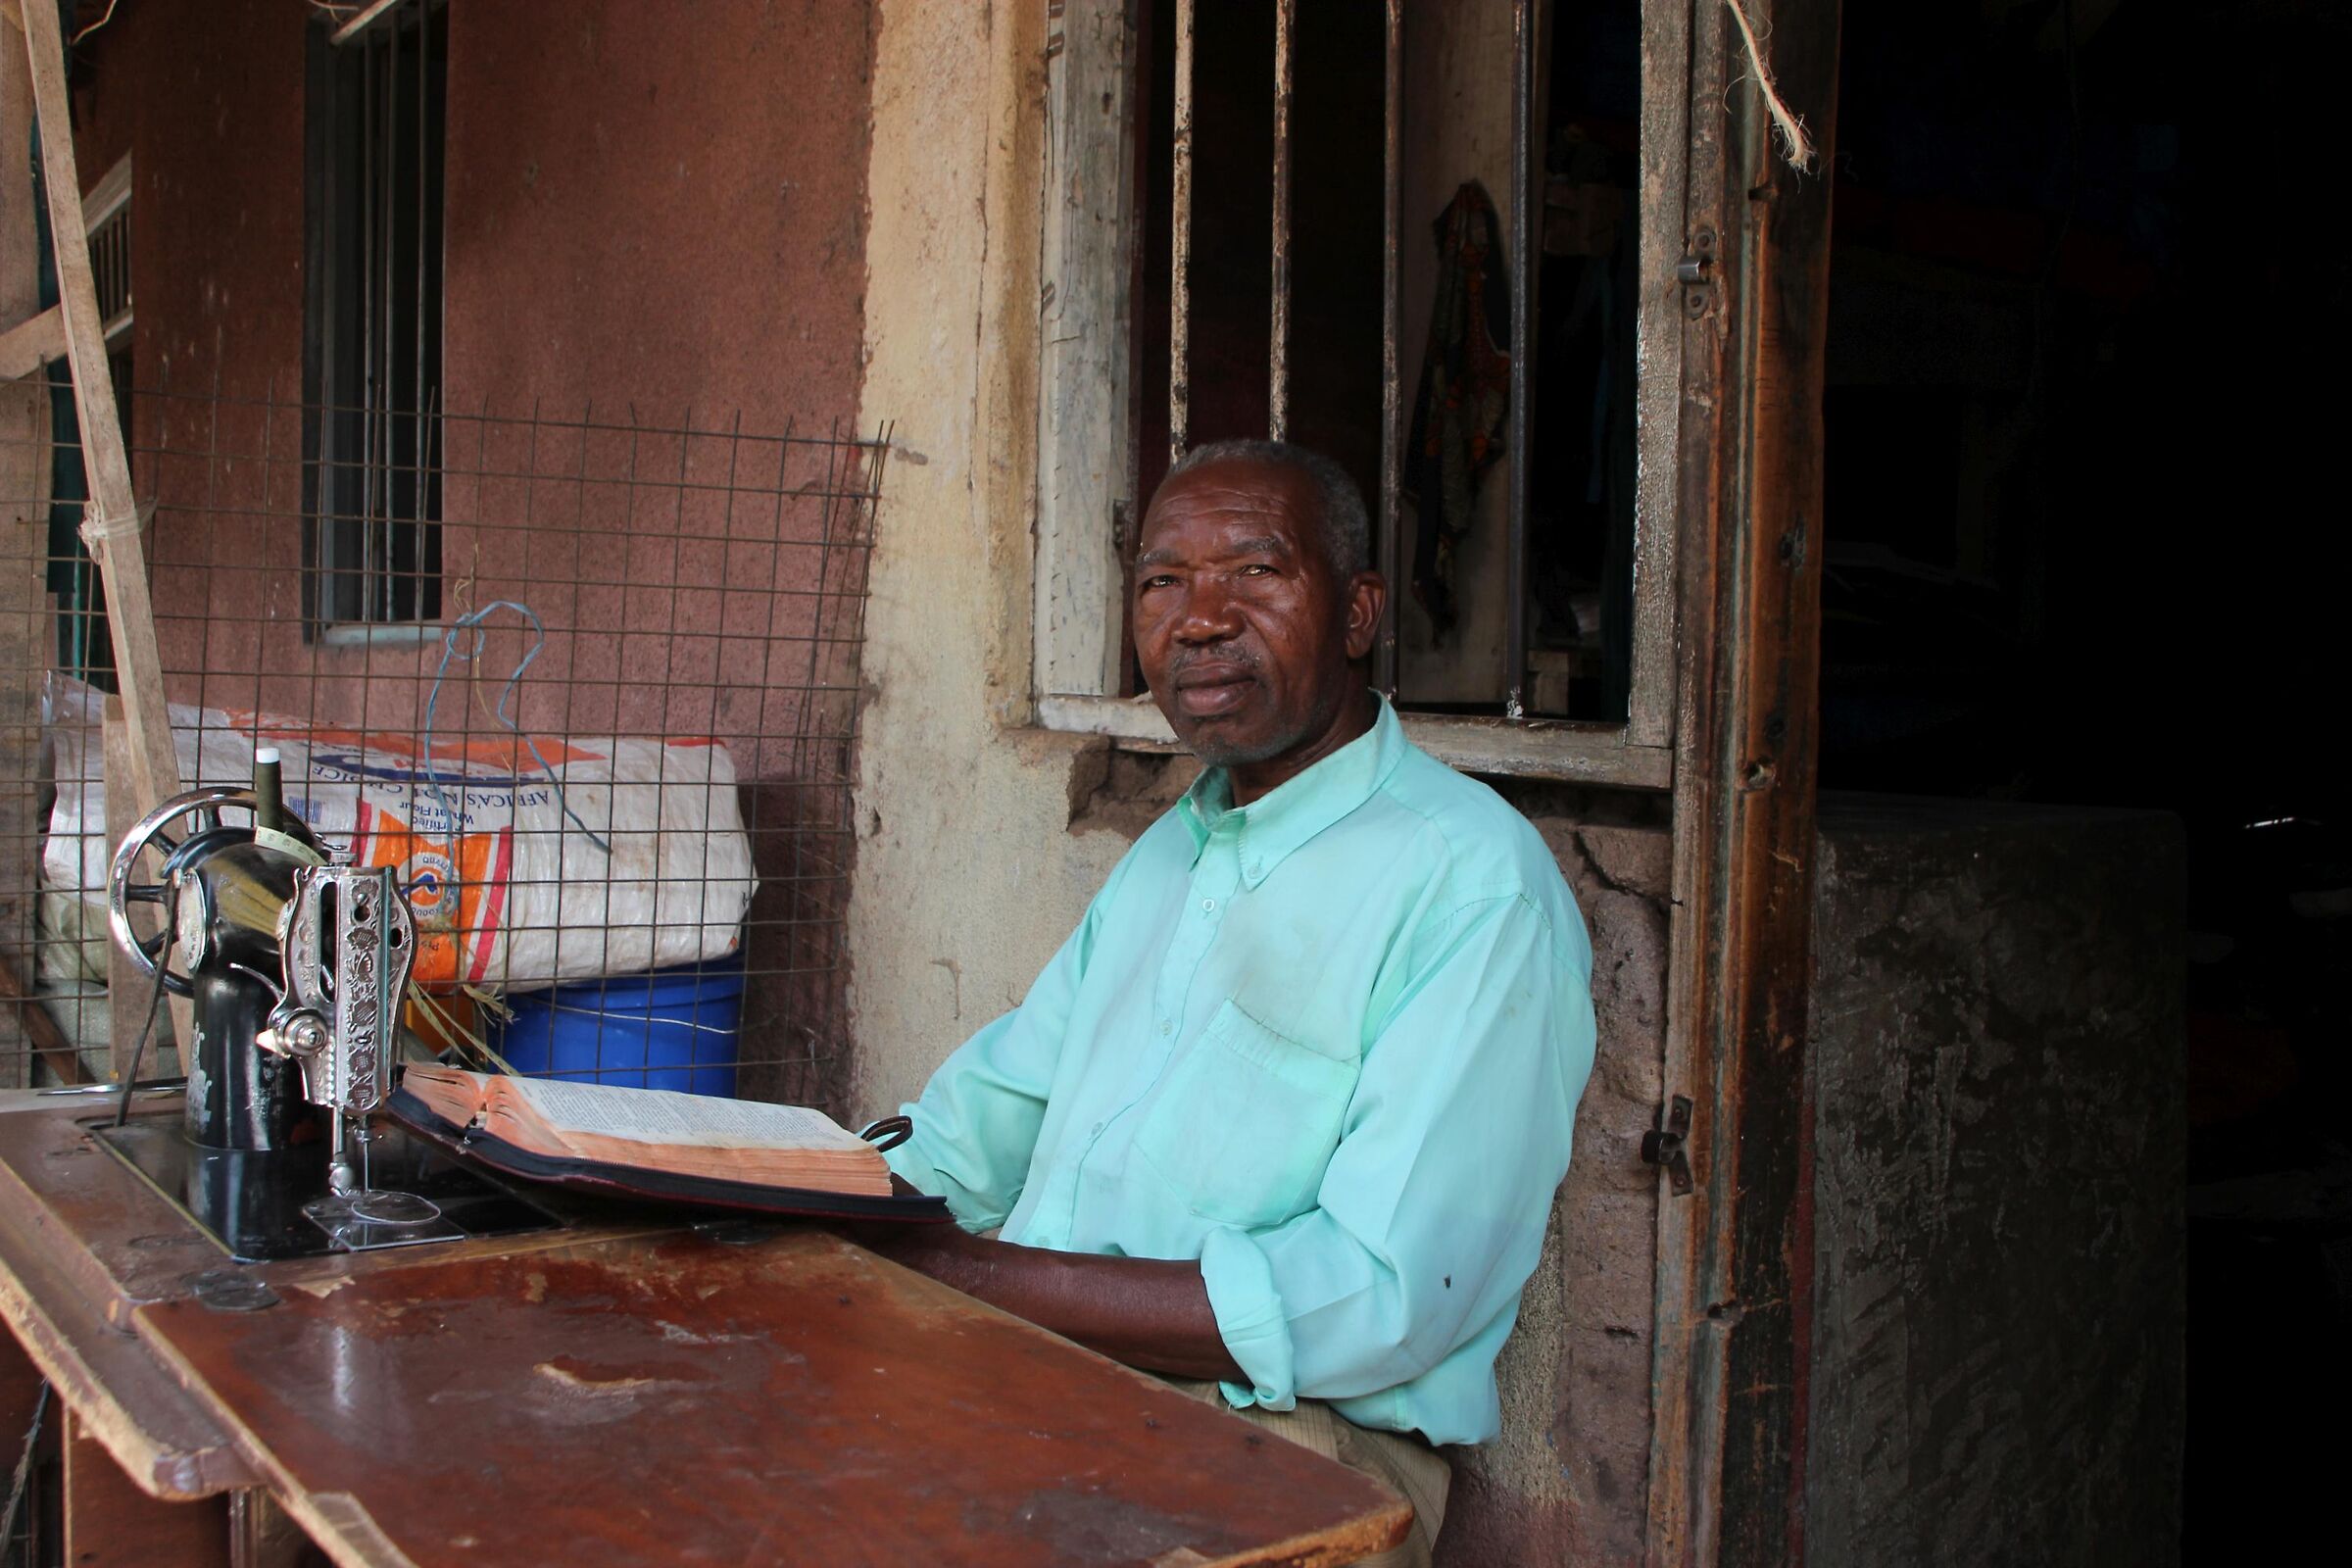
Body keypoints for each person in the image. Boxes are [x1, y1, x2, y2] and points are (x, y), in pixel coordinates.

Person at [859, 439, 1594, 1566]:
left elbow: (1383, 1297)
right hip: (1049, 1374)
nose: (1200, 617)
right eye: (1163, 580)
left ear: (1357, 614)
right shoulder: (1174, 851)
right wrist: (818, 1199)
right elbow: (994, 1107)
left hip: (1290, 1441)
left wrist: (972, 1278)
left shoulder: (1472, 883)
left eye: (1255, 572)